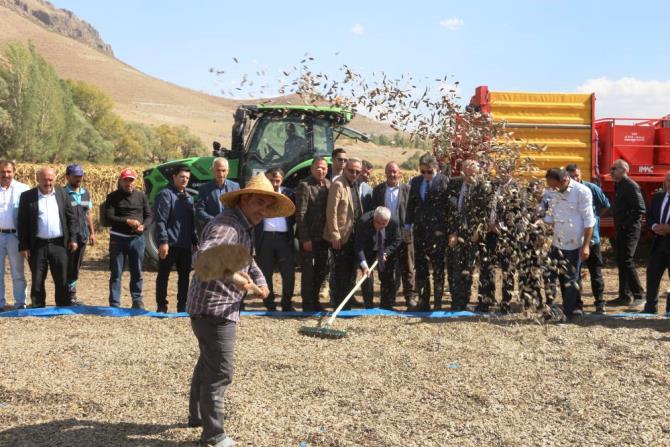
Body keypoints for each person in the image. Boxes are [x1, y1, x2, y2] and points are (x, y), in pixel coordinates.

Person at [186, 174, 292, 447]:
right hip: (214, 308)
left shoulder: (244, 226)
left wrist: (259, 278)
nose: (263, 210)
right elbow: (201, 257)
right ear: (244, 199)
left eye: (267, 206)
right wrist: (232, 276)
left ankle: (198, 414)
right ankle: (213, 435)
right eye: (258, 202)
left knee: (208, 361)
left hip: (208, 306)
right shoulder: (228, 227)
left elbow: (248, 258)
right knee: (220, 371)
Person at [17, 167, 79, 307]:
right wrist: (24, 245)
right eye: (45, 179)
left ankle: (63, 305)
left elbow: (71, 219)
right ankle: (38, 306)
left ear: (55, 179)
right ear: (38, 179)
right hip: (37, 245)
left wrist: (73, 239)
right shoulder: (27, 197)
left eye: (50, 179)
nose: (48, 182)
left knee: (61, 277)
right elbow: (22, 223)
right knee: (38, 278)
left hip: (59, 244)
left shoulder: (62, 194)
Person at [543, 168, 595, 320]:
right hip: (555, 241)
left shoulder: (582, 192)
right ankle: (550, 309)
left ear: (564, 180)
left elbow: (589, 221)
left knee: (571, 279)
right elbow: (550, 216)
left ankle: (572, 312)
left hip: (574, 243)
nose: (552, 189)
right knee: (549, 276)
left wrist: (586, 245)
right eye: (550, 186)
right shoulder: (552, 192)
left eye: (555, 186)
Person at [447, 159, 494, 311]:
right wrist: (453, 232)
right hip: (458, 232)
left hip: (475, 234)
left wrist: (478, 231)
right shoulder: (454, 184)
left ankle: (466, 300)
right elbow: (451, 211)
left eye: (473, 174)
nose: (470, 177)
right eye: (467, 174)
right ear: (462, 172)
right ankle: (456, 301)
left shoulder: (483, 187)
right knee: (456, 267)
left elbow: (486, 211)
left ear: (478, 173)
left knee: (469, 267)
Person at [405, 154, 450, 311]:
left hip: (437, 233)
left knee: (438, 268)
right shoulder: (416, 182)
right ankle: (424, 301)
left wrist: (446, 230)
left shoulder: (444, 181)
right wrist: (407, 226)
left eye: (429, 172)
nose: (426, 175)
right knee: (421, 268)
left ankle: (437, 302)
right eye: (423, 172)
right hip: (420, 232)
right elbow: (411, 205)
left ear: (436, 168)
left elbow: (448, 208)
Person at [104, 168, 152, 309]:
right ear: (121, 180)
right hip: (118, 239)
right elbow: (109, 217)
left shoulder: (141, 196)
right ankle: (114, 303)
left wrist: (144, 226)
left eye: (131, 180)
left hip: (137, 239)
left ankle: (137, 300)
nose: (128, 183)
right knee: (116, 272)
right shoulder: (113, 197)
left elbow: (149, 215)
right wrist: (127, 221)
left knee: (137, 271)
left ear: (134, 181)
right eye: (126, 180)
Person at [565, 163, 611, 313]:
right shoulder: (564, 192)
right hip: (573, 240)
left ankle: (600, 302)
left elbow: (605, 204)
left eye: (577, 175)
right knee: (575, 273)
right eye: (572, 176)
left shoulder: (591, 189)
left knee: (595, 272)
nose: (575, 178)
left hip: (592, 239)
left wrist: (594, 218)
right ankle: (578, 305)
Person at [154, 165, 198, 313]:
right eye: (181, 177)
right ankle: (162, 306)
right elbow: (161, 220)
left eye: (187, 178)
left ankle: (182, 306)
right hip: (170, 244)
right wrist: (163, 241)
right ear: (174, 177)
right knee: (163, 275)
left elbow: (192, 223)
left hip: (185, 245)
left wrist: (194, 241)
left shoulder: (189, 199)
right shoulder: (165, 195)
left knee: (185, 277)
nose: (184, 180)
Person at [371, 161, 414, 306]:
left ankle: (409, 298)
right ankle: (387, 301)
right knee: (386, 270)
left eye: (394, 171)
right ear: (385, 173)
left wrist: (410, 229)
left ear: (399, 173)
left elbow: (412, 211)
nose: (392, 174)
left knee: (407, 268)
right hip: (385, 236)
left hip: (404, 235)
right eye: (389, 171)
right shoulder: (378, 191)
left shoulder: (407, 190)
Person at [324, 158, 364, 310]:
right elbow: (331, 211)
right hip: (341, 235)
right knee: (339, 271)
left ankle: (348, 300)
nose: (354, 174)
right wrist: (334, 234)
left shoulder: (355, 184)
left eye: (357, 172)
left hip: (354, 234)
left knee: (351, 270)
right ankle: (338, 303)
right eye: (351, 171)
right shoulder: (338, 184)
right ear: (345, 169)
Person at [254, 167, 295, 312]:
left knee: (288, 272)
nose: (275, 183)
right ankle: (269, 304)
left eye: (277, 180)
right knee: (266, 273)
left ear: (282, 180)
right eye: (272, 180)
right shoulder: (259, 195)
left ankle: (287, 303)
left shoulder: (289, 194)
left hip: (284, 238)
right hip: (265, 238)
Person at [607, 159, 646, 307]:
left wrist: (625, 225)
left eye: (613, 169)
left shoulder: (631, 186)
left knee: (627, 260)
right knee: (621, 260)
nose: (611, 172)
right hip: (621, 230)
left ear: (624, 170)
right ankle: (624, 296)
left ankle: (639, 295)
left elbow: (640, 209)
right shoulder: (619, 185)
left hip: (629, 230)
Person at [478, 169, 517, 312]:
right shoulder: (493, 186)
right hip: (489, 233)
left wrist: (499, 226)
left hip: (507, 236)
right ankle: (486, 301)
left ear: (511, 171)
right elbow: (484, 207)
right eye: (499, 171)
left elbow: (518, 214)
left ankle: (505, 303)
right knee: (487, 267)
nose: (502, 174)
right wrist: (486, 225)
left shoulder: (516, 189)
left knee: (507, 269)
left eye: (505, 171)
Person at [295, 157, 331, 312]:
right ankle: (307, 303)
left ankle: (316, 300)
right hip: (309, 237)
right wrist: (305, 238)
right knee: (308, 271)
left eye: (323, 168)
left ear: (327, 170)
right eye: (317, 167)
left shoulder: (329, 185)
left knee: (321, 271)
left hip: (324, 237)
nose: (320, 170)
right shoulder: (305, 185)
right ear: (311, 169)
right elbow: (300, 214)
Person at [354, 206, 401, 309]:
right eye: (378, 223)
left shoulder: (394, 221)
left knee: (387, 275)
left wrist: (385, 253)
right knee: (367, 277)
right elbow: (358, 245)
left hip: (385, 248)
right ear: (373, 219)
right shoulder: (364, 221)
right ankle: (368, 304)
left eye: (384, 224)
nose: (380, 226)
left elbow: (397, 240)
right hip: (368, 249)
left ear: (388, 221)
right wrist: (364, 265)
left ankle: (386, 304)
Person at [0, 160, 29, 311]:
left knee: (17, 272)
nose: (6, 175)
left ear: (14, 172)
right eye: (3, 172)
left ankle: (20, 303)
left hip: (15, 236)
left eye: (9, 172)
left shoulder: (23, 189)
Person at [64, 164, 95, 304]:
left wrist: (92, 233)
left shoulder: (85, 193)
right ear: (68, 176)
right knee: (66, 265)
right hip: (67, 237)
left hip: (82, 236)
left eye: (80, 176)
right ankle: (64, 295)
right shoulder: (62, 193)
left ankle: (72, 295)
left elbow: (88, 214)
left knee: (76, 266)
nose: (78, 178)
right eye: (75, 176)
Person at [642, 172, 670, 314]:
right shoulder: (658, 197)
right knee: (652, 274)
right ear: (665, 182)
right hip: (659, 243)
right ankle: (650, 307)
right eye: (668, 180)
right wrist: (654, 227)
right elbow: (650, 216)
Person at [196, 158, 240, 230]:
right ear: (213, 171)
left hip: (231, 228)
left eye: (223, 170)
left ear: (228, 171)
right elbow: (199, 211)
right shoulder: (204, 188)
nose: (221, 174)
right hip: (212, 228)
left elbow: (239, 208)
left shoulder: (235, 187)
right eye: (218, 170)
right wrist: (214, 220)